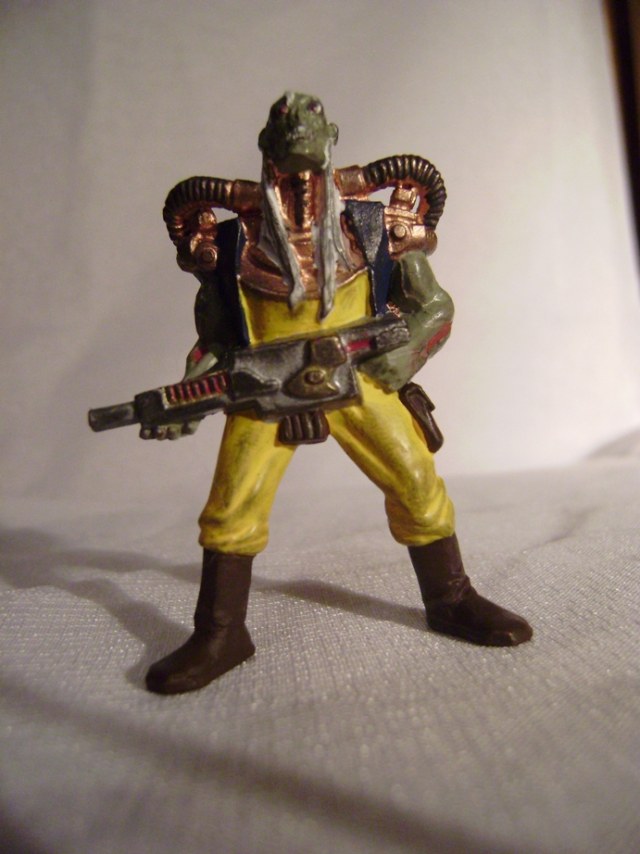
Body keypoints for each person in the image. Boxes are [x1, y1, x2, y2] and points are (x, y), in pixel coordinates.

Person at [143, 92, 532, 695]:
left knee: (415, 478)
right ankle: (221, 631)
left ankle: (450, 597)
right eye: (286, 175)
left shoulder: (374, 231)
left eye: (310, 173)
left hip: (358, 380)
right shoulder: (230, 251)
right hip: (266, 390)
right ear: (266, 167)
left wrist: (399, 360)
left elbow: (433, 307)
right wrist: (189, 398)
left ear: (331, 159)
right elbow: (215, 341)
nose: (300, 189)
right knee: (232, 504)